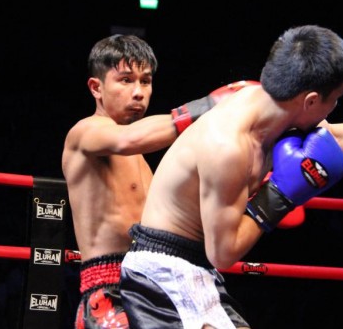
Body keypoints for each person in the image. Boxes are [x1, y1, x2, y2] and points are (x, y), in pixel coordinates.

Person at [119, 24, 343, 329]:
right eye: (335, 99)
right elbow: (224, 253)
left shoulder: (267, 102)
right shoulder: (228, 148)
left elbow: (330, 141)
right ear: (310, 101)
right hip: (164, 275)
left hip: (193, 268)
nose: (334, 108)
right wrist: (280, 193)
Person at [62, 34, 269, 329]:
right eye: (125, 80)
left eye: (145, 81)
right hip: (110, 290)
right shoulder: (85, 133)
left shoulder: (143, 160)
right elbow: (128, 139)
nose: (138, 92)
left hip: (160, 276)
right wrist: (209, 105)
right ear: (96, 87)